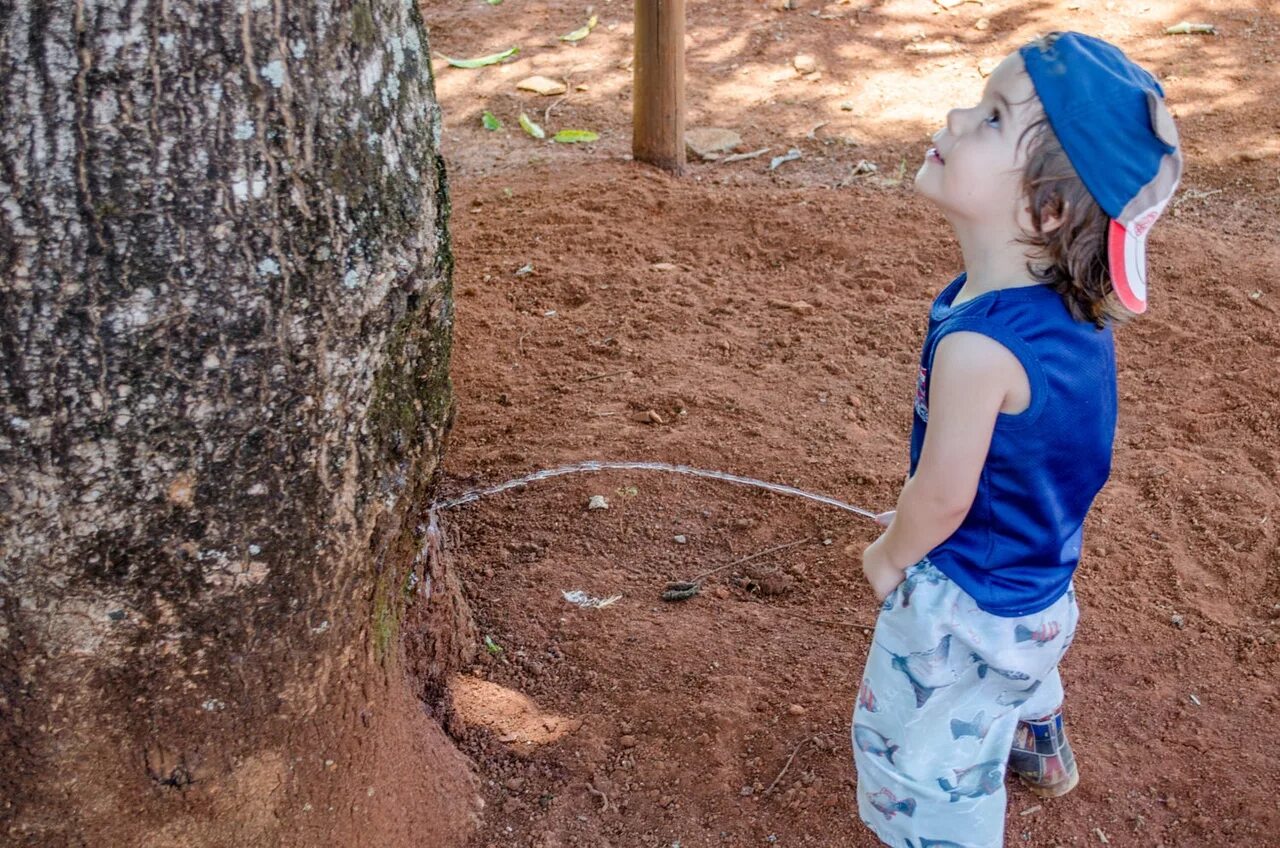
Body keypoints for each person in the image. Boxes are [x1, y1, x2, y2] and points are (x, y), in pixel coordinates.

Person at [851, 31, 1183, 848]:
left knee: (921, 765)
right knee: (1016, 659)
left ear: (1047, 210)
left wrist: (890, 556)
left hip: (962, 604)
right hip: (1040, 582)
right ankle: (1038, 736)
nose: (960, 114)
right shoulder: (1074, 316)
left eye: (995, 118)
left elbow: (942, 496)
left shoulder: (980, 349)